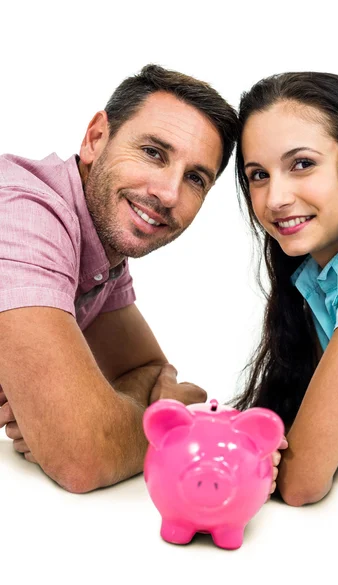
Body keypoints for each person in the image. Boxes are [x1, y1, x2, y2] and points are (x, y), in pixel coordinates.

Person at [0, 64, 238, 493]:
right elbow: (84, 455)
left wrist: (98, 418)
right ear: (95, 139)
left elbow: (149, 368)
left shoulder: (100, 240)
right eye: (153, 152)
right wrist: (165, 424)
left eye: (195, 178)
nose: (168, 193)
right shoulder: (23, 212)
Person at [233, 71, 338, 506]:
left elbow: (301, 482)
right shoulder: (318, 275)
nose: (275, 199)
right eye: (258, 175)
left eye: (302, 164)